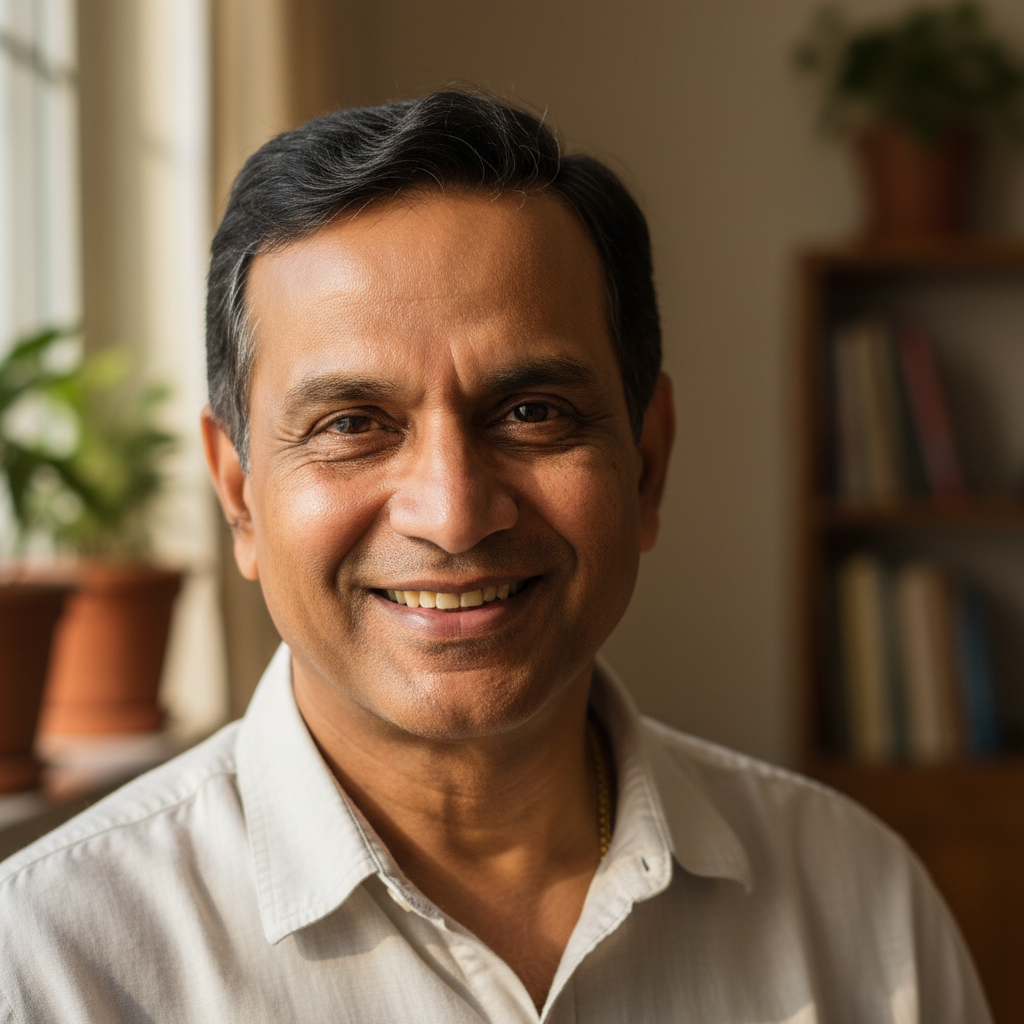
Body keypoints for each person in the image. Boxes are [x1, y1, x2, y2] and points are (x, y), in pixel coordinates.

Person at [0, 90, 991, 1023]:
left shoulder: (862, 904)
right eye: (352, 422)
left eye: (531, 412)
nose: (453, 513)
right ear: (239, 494)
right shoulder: (48, 961)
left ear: (646, 463)